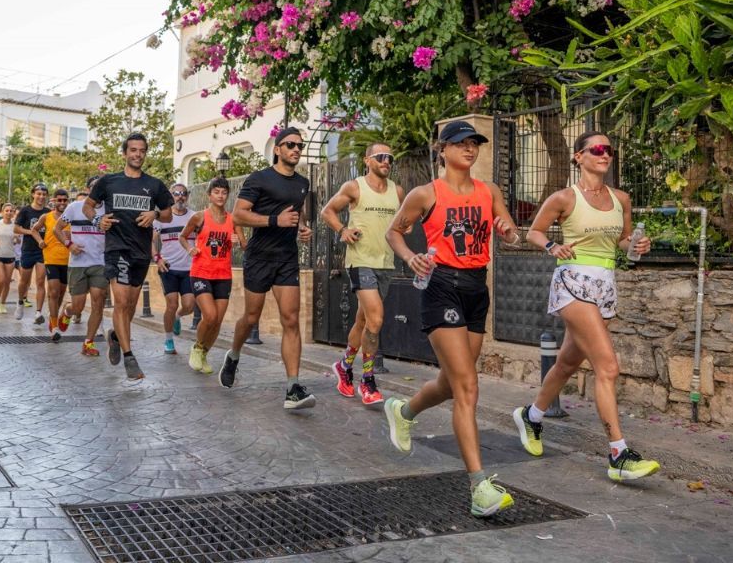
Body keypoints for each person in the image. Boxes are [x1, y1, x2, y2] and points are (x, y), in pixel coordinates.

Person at [382, 120, 521, 518]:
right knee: (467, 386)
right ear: (442, 149)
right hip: (441, 284)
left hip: (477, 288)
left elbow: (509, 233)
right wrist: (411, 257)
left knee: (450, 382)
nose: (470, 149)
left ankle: (403, 412)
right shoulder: (426, 193)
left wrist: (507, 231)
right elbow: (396, 232)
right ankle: (480, 487)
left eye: (475, 143)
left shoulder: (488, 191)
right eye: (461, 143)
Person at [513, 131, 659, 482]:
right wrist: (552, 247)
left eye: (608, 149)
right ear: (579, 156)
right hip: (572, 283)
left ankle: (531, 416)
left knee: (566, 363)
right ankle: (618, 454)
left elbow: (622, 241)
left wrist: (636, 246)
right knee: (607, 366)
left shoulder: (621, 198)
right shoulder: (565, 197)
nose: (604, 154)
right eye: (597, 149)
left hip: (605, 285)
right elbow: (534, 232)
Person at [218, 127, 315, 410]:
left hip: (286, 258)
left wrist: (303, 228)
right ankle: (234, 355)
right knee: (250, 318)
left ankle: (292, 388)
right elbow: (238, 214)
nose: (296, 149)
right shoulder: (259, 178)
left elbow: (297, 215)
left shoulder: (302, 183)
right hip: (259, 257)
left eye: (300, 145)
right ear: (277, 149)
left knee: (291, 319)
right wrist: (275, 221)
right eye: (290, 145)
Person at [85, 133, 175, 381]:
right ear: (124, 153)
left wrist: (154, 215)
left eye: (142, 150)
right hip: (117, 249)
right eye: (133, 150)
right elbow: (87, 206)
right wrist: (97, 220)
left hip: (140, 253)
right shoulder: (108, 182)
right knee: (121, 302)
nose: (137, 154)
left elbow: (168, 214)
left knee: (130, 306)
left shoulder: (155, 185)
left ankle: (115, 336)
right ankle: (129, 357)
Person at [321, 142, 404, 406]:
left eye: (389, 157)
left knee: (363, 321)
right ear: (367, 160)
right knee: (376, 319)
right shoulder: (354, 187)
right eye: (380, 157)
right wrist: (343, 231)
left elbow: (406, 222)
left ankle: (344, 366)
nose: (386, 161)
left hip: (386, 263)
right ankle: (367, 381)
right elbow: (327, 211)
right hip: (360, 261)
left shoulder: (398, 191)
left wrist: (406, 226)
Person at [182, 177, 245, 374]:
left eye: (224, 192)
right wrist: (190, 248)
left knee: (217, 320)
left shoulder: (233, 219)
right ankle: (197, 348)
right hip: (201, 272)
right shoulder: (199, 217)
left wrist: (238, 239)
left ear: (227, 195)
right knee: (209, 315)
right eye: (216, 192)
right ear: (209, 195)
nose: (220, 195)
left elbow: (245, 245)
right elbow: (183, 236)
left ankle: (204, 353)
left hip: (223, 275)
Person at [58, 178, 108, 355]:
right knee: (78, 306)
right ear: (88, 189)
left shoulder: (109, 209)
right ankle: (67, 310)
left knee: (98, 301)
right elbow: (58, 228)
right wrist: (69, 244)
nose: (98, 189)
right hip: (78, 263)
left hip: (100, 263)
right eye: (94, 187)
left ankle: (88, 343)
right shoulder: (75, 207)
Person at [154, 183, 197, 354]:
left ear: (187, 196)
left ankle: (178, 318)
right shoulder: (163, 218)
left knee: (189, 306)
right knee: (171, 304)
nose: (180, 197)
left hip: (189, 269)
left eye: (183, 194)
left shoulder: (194, 217)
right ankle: (168, 340)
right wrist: (157, 259)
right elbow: (151, 240)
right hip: (168, 268)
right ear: (171, 196)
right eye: (176, 194)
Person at [14, 184, 51, 324]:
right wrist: (31, 232)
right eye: (38, 194)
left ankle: (38, 312)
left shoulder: (48, 212)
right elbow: (16, 229)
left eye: (43, 194)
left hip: (43, 250)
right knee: (24, 281)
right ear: (33, 194)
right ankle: (20, 302)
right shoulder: (25, 211)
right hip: (28, 249)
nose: (41, 197)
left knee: (41, 281)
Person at [40, 190, 71, 336]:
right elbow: (34, 230)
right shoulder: (46, 217)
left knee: (60, 293)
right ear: (54, 201)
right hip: (51, 258)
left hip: (68, 260)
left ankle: (55, 317)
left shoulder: (72, 217)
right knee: (53, 292)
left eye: (65, 200)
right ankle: (54, 327)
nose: (62, 203)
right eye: (60, 200)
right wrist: (40, 241)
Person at [0, 204, 18, 313]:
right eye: (7, 210)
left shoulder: (15, 225)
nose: (9, 212)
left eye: (11, 211)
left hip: (10, 256)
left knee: (6, 282)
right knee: (0, 279)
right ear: (2, 212)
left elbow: (18, 240)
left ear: (13, 213)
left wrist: (16, 239)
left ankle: (3, 303)